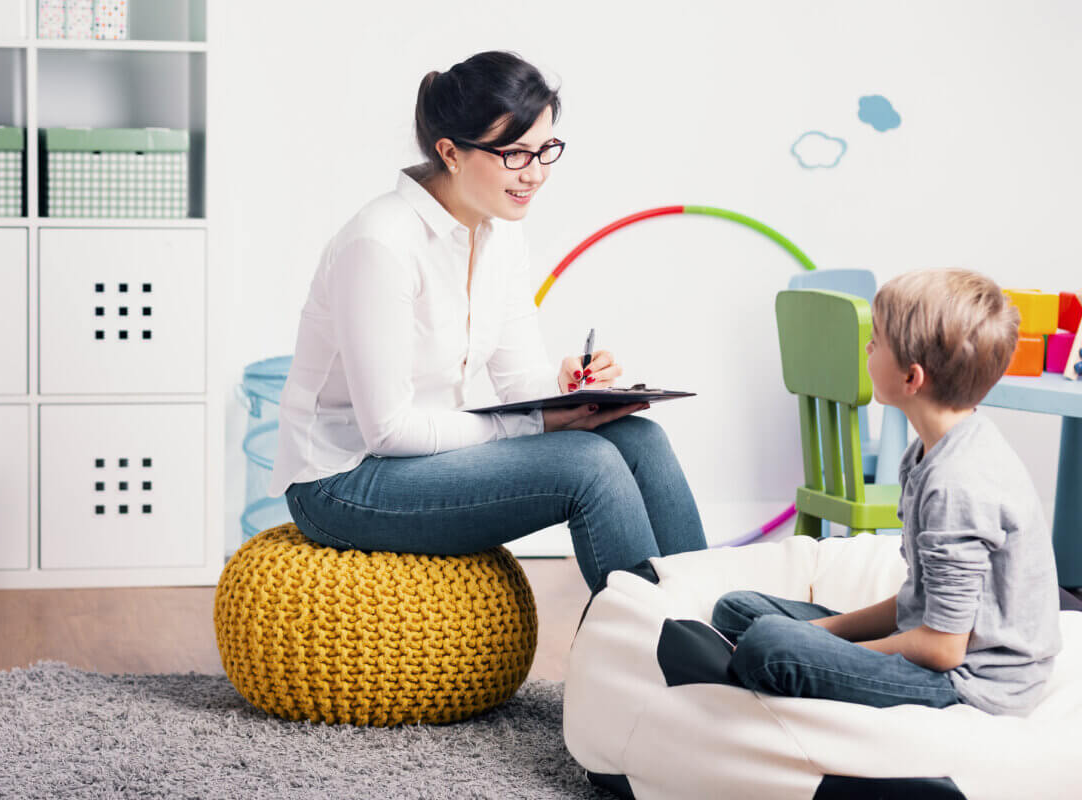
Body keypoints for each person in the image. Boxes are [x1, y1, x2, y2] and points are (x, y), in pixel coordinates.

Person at [268, 51, 707, 591]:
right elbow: (388, 430)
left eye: (546, 149)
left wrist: (569, 389)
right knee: (589, 465)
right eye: (515, 154)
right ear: (450, 152)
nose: (537, 173)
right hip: (344, 481)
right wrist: (541, 422)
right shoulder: (380, 243)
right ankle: (650, 650)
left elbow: (521, 382)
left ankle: (713, 623)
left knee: (640, 438)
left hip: (430, 454)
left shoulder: (500, 233)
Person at [712, 268, 1062, 714]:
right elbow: (917, 599)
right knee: (736, 609)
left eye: (876, 341)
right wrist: (826, 632)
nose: (867, 348)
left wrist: (826, 645)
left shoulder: (958, 484)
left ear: (911, 378)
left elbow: (944, 648)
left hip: (969, 682)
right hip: (931, 642)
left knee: (767, 645)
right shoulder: (930, 450)